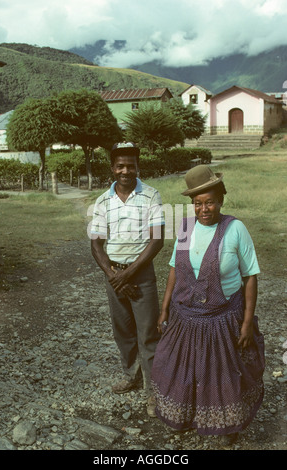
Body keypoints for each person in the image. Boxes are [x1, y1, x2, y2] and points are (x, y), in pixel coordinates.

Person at [151, 164, 265, 443]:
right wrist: (164, 308)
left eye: (210, 202)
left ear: (221, 200)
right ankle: (186, 416)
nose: (204, 209)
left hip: (222, 316)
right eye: (198, 203)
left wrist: (247, 323)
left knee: (221, 371)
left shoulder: (235, 229)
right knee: (182, 365)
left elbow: (250, 277)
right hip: (185, 315)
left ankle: (228, 426)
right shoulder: (186, 228)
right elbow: (175, 270)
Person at [90, 142, 164, 417]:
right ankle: (132, 376)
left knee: (148, 333)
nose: (125, 171)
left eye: (130, 166)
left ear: (137, 166)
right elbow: (96, 245)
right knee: (123, 331)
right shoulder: (101, 202)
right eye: (119, 166)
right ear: (112, 167)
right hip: (115, 276)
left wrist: (128, 274)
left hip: (140, 274)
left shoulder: (151, 196)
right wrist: (114, 276)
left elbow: (157, 241)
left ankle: (153, 392)